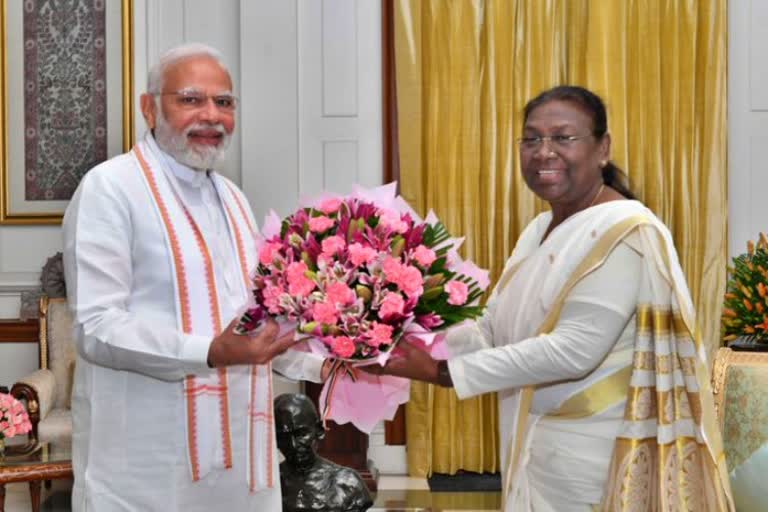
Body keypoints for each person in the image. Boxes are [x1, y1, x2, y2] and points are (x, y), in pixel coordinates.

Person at [370, 86, 734, 511]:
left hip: (594, 461)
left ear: (603, 148)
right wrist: (400, 337)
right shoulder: (538, 229)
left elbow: (574, 350)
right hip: (534, 447)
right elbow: (494, 327)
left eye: (563, 138)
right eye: (531, 139)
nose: (544, 152)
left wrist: (443, 371)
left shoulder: (626, 230)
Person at [63, 43, 329, 511]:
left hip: (244, 466)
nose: (212, 116)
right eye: (190, 99)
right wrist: (207, 352)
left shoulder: (233, 198)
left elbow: (257, 324)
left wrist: (331, 363)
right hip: (145, 468)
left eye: (224, 102)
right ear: (149, 108)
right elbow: (96, 327)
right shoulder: (110, 188)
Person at [274, 394, 373, 512]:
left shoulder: (348, 484)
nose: (293, 445)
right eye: (283, 437)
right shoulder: (268, 485)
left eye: (301, 434)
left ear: (319, 430)